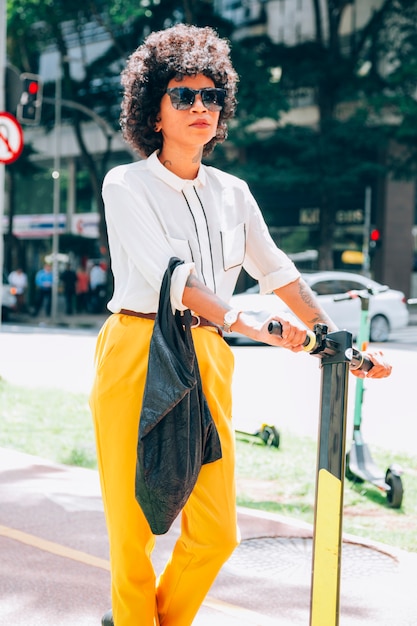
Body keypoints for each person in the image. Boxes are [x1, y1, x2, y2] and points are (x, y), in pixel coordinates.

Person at [89, 24, 392, 626]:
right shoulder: (126, 184)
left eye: (211, 96)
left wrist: (342, 342)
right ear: (154, 110)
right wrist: (243, 319)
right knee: (133, 537)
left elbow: (280, 274)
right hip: (137, 349)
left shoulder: (235, 192)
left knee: (216, 533)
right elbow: (174, 280)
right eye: (183, 95)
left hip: (208, 358)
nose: (200, 107)